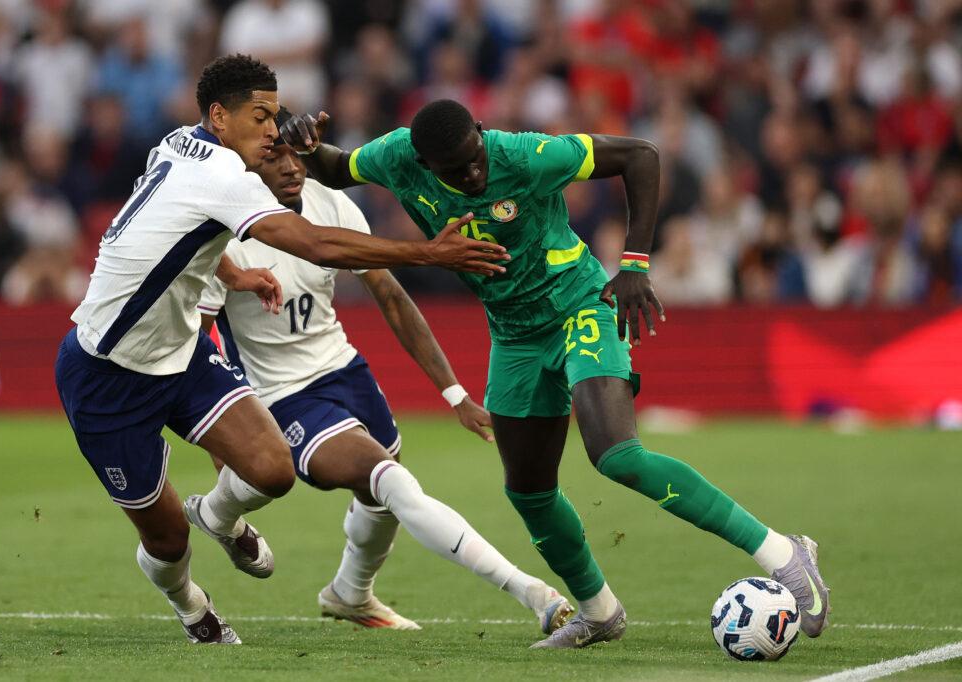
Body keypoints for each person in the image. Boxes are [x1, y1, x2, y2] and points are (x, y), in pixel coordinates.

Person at [278, 99, 831, 649]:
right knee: (529, 490)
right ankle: (598, 612)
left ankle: (781, 552)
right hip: (514, 335)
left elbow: (641, 155)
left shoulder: (527, 155)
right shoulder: (397, 155)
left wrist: (635, 263)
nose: (474, 174)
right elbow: (334, 167)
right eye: (456, 171)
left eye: (476, 157)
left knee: (617, 455)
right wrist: (303, 137)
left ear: (480, 132)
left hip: (579, 305)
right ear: (422, 164)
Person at [54, 58, 509, 645]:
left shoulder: (175, 144)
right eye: (260, 116)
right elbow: (314, 244)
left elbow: (169, 227)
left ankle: (220, 517)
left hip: (181, 354)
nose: (273, 129)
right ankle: (191, 604)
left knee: (273, 470)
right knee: (167, 541)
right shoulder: (225, 176)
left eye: (275, 114)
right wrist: (430, 255)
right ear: (219, 117)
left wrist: (232, 273)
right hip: (105, 375)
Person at [192, 133, 574, 634]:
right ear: (248, 168)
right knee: (391, 482)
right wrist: (218, 435)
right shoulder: (227, 236)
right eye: (274, 156)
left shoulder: (332, 204)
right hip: (281, 396)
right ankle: (532, 593)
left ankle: (350, 593)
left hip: (344, 369)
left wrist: (455, 393)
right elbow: (199, 339)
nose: (291, 166)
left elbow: (391, 296)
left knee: (380, 492)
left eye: (295, 153)